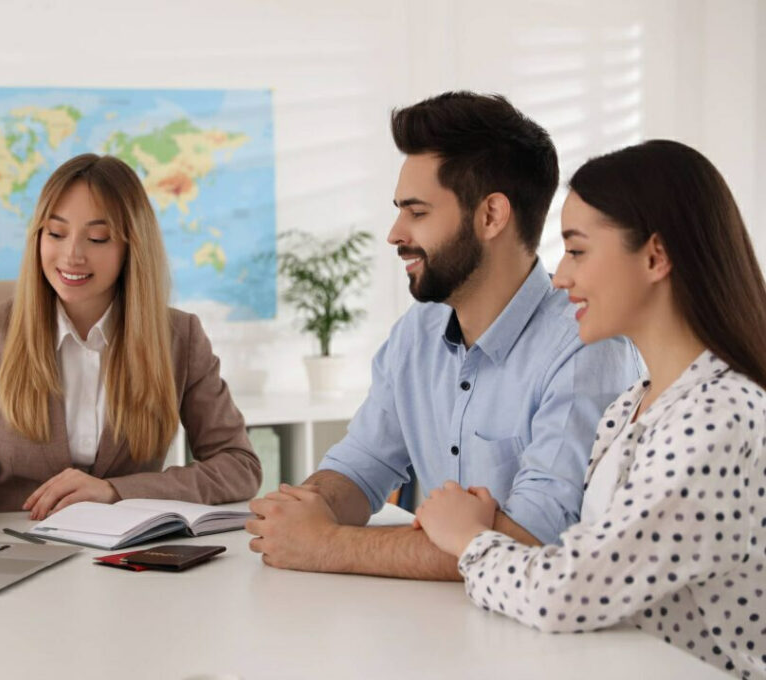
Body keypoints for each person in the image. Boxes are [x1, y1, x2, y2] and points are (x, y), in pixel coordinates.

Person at [246, 91, 642, 579]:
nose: (394, 233)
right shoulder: (418, 332)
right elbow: (361, 464)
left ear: (491, 216)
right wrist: (305, 512)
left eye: (417, 212)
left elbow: (530, 541)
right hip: (438, 629)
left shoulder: (586, 346)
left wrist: (326, 544)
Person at [415, 140, 766, 680]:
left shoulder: (719, 417)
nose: (559, 278)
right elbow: (581, 559)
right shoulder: (632, 407)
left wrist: (468, 538)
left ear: (655, 256)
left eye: (577, 251)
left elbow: (570, 589)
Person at [0, 153, 261, 530]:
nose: (72, 255)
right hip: (17, 547)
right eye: (56, 233)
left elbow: (239, 466)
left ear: (132, 246)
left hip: (126, 555)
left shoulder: (179, 338)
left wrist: (116, 491)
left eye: (97, 238)